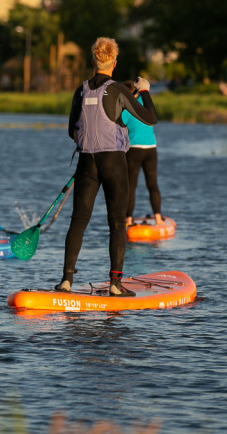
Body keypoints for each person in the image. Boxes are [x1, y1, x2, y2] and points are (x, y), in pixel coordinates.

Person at [58, 37, 156, 296]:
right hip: (113, 162)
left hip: (86, 163)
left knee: (78, 221)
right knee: (116, 223)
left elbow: (72, 131)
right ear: (114, 62)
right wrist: (144, 90)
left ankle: (66, 281)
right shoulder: (119, 90)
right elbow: (150, 118)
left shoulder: (80, 89)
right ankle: (115, 285)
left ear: (93, 61)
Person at [122, 84, 164, 227]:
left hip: (134, 149)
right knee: (153, 185)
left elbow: (120, 124)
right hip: (151, 148)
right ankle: (158, 219)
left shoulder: (126, 107)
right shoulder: (145, 102)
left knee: (131, 186)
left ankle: (128, 220)